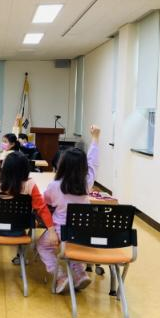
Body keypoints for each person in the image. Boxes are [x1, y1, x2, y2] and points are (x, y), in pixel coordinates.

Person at [38, 125, 100, 294]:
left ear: (62, 165)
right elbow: (93, 162)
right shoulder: (87, 183)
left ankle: (60, 276)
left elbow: (46, 202)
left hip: (61, 231)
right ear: (83, 167)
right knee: (73, 244)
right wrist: (95, 138)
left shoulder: (54, 186)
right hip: (82, 230)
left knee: (42, 246)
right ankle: (80, 274)